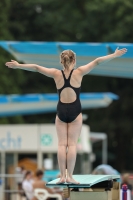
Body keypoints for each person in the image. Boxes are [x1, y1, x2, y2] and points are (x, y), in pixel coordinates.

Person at [5, 47, 127, 184]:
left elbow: (36, 67)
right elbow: (97, 61)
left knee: (62, 145)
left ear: (61, 61)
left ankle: (62, 176)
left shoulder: (56, 74)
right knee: (72, 145)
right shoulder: (79, 72)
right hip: (75, 111)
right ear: (74, 60)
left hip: (61, 111)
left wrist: (18, 66)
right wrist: (114, 55)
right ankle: (70, 177)